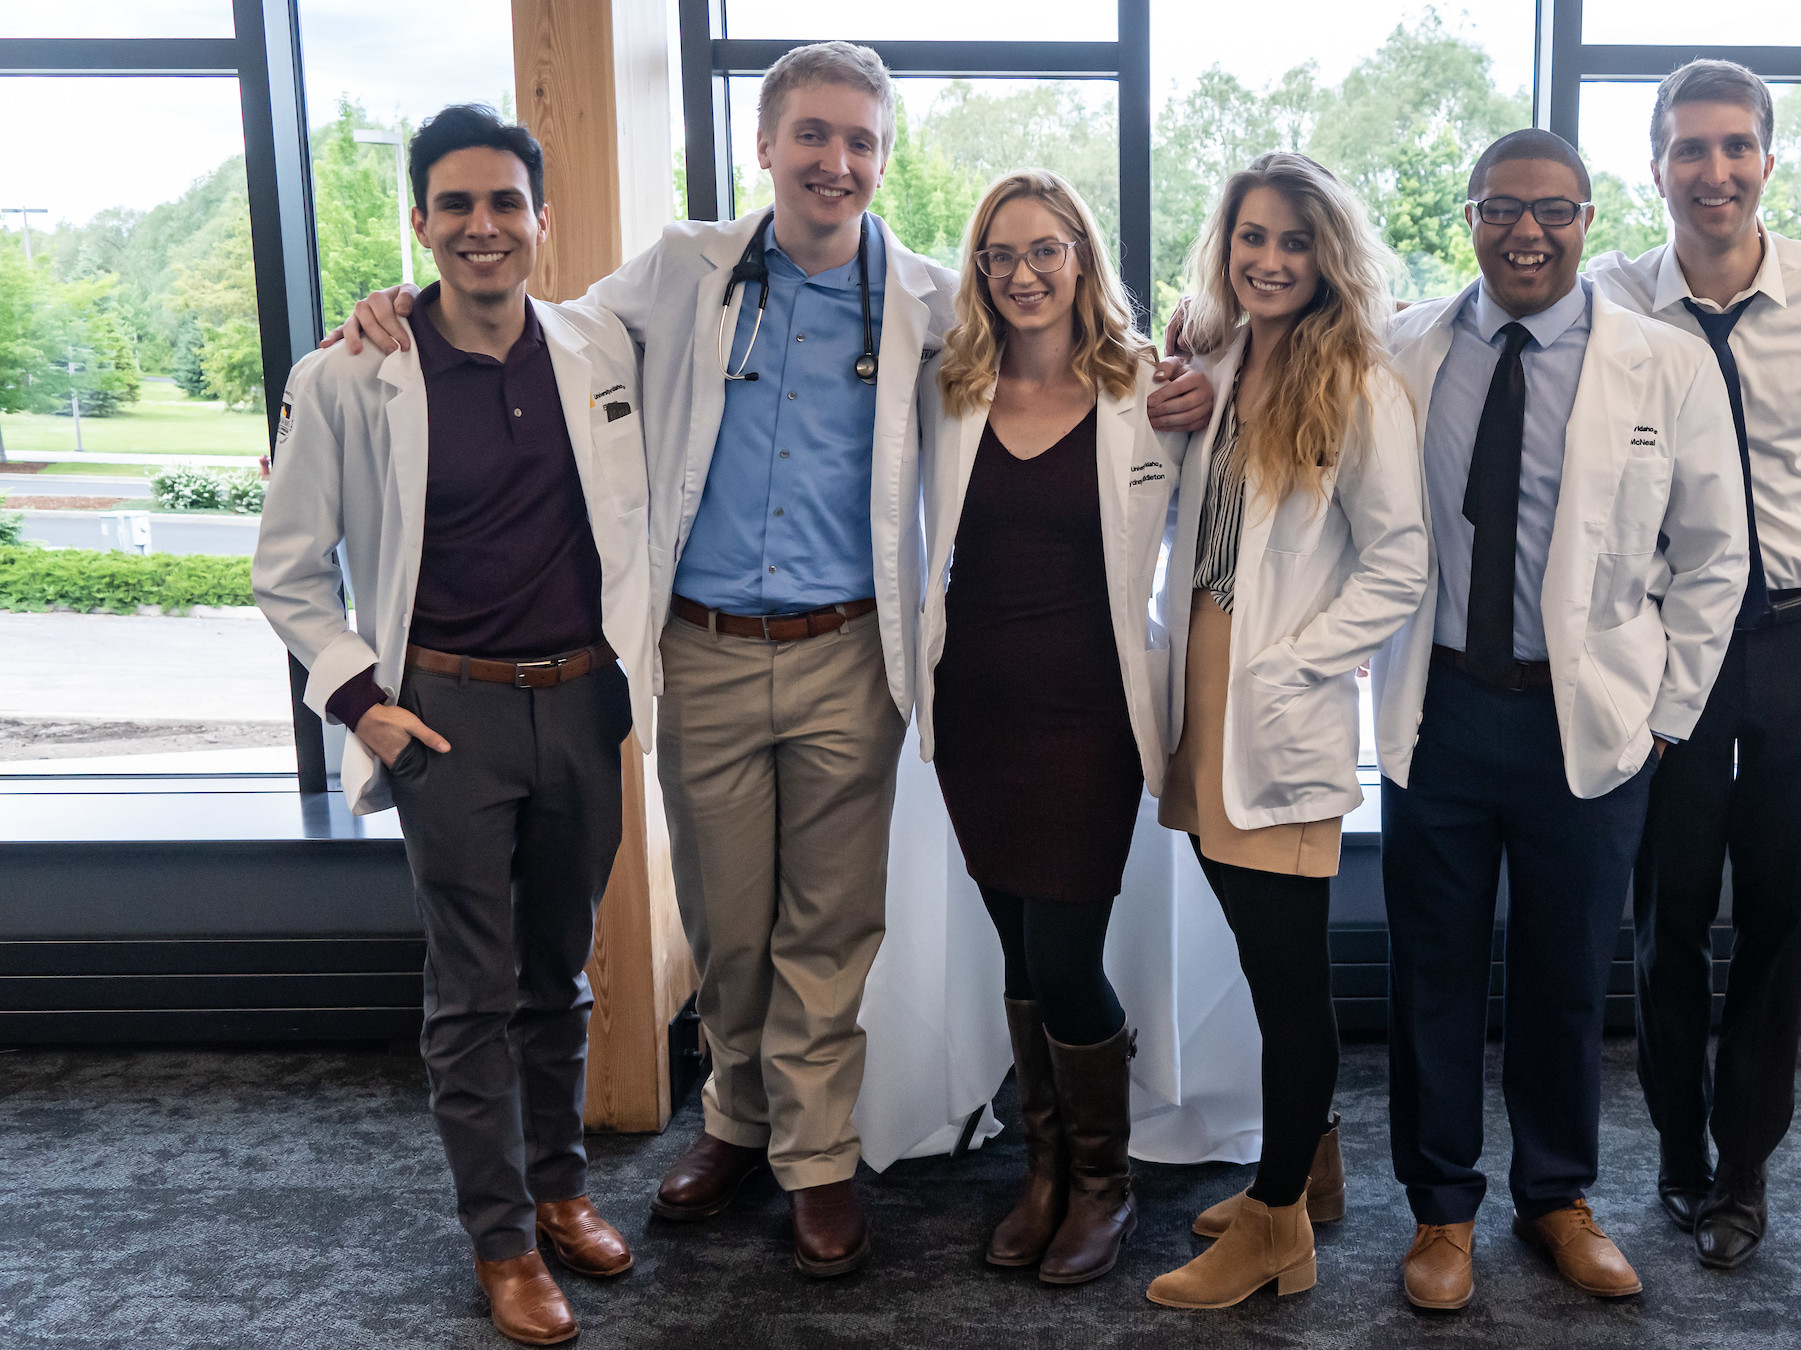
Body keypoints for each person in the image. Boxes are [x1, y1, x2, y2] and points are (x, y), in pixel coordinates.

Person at [325, 42, 1216, 1277]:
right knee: (732, 926)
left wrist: (1188, 378)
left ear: (884, 159)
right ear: (764, 145)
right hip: (702, 652)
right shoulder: (685, 268)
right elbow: (549, 332)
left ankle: (814, 1159)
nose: (834, 161)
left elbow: (1046, 349)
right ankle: (734, 1122)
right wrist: (391, 315)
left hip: (851, 649)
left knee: (830, 929)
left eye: (859, 140)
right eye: (811, 134)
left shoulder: (921, 300)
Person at [253, 105, 651, 1347]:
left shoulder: (597, 348)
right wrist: (364, 703)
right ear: (420, 223)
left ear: (540, 219)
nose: (484, 228)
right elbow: (287, 570)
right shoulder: (349, 373)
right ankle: (502, 1240)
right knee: (471, 992)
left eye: (506, 205)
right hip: (446, 716)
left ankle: (562, 1187)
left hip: (584, 701)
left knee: (561, 974)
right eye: (457, 206)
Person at [1374, 128, 1749, 1310]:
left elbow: (1714, 555)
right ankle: (1441, 1214)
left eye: (1553, 211)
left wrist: (1666, 717)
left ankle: (1555, 1199)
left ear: (1590, 221)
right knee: (1430, 970)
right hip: (1438, 710)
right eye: (1500, 209)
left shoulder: (1661, 362)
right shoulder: (1405, 354)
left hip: (1585, 724)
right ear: (1471, 218)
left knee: (1567, 973)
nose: (1525, 232)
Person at [1585, 60, 1801, 1270]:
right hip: (1673, 647)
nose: (1714, 170)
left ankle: (1745, 1172)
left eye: (1736, 147)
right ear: (1657, 166)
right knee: (1666, 918)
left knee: (1782, 920)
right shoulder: (1609, 297)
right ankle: (1677, 1151)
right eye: (1690, 149)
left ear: (1768, 160)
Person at [1143, 150, 1429, 1311]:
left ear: (1330, 256)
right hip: (1201, 680)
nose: (1269, 260)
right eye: (1252, 237)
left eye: (1295, 242)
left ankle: (1275, 1231)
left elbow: (1400, 559)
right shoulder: (1212, 360)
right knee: (1255, 940)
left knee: (1286, 971)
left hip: (1276, 690)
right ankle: (1305, 1167)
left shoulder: (1358, 382)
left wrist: (1298, 662)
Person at [915, 170, 1183, 1285]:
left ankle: (1106, 1185)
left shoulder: (1151, 391)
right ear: (979, 274)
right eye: (999, 256)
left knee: (1068, 956)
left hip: (1090, 716)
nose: (1022, 273)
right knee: (1019, 949)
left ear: (1082, 257)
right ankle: (1044, 1173)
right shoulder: (947, 388)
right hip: (976, 709)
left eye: (1045, 250)